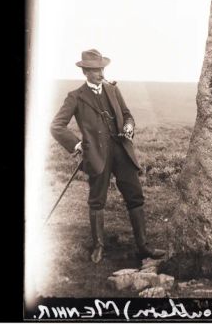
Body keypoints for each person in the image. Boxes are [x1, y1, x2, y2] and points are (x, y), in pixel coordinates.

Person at [50, 48, 165, 264]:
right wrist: (77, 145)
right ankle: (98, 247)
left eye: (101, 68)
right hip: (96, 155)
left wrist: (129, 127)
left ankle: (143, 247)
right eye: (95, 70)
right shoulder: (75, 97)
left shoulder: (113, 90)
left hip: (121, 151)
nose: (100, 73)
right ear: (85, 72)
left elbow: (128, 115)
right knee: (97, 201)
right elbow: (56, 126)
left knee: (135, 196)